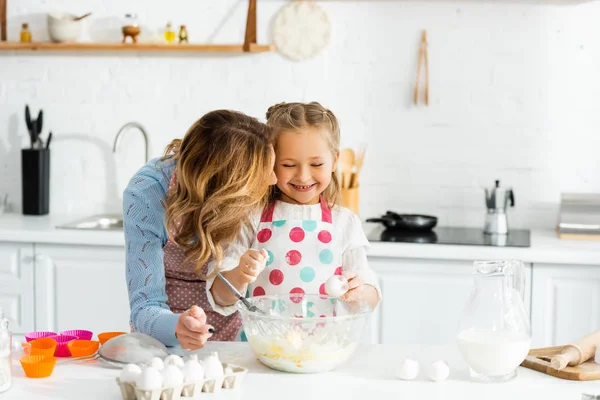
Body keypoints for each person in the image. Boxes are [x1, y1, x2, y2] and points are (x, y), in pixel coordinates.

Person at [208, 102, 381, 324]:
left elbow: (371, 297)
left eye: (317, 164)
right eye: (289, 165)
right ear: (270, 161)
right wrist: (240, 274)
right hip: (264, 348)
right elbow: (220, 297)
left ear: (335, 161)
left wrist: (358, 292)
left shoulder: (344, 223)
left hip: (324, 349)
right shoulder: (251, 217)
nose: (303, 176)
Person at [123, 109, 277, 350]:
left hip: (234, 339)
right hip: (165, 344)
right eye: (265, 174)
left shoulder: (254, 189)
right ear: (225, 189)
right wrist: (177, 327)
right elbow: (144, 307)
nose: (273, 180)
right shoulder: (147, 194)